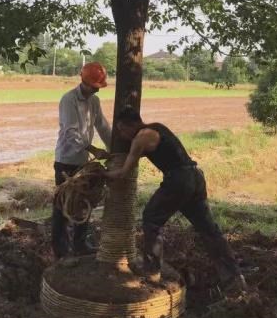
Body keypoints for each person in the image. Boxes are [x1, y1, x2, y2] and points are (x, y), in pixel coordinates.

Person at [105, 107, 246, 291]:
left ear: (130, 125)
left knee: (151, 218)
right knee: (208, 229)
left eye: (122, 130)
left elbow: (124, 172)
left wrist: (104, 175)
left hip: (179, 180)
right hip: (195, 176)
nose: (122, 135)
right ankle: (234, 277)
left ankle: (152, 270)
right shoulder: (157, 128)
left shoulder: (140, 138)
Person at [52, 62, 112, 258]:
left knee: (84, 202)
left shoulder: (94, 101)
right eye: (94, 86)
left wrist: (114, 150)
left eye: (98, 87)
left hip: (82, 161)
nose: (96, 90)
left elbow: (102, 126)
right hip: (66, 161)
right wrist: (94, 149)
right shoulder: (68, 100)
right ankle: (60, 251)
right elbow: (71, 133)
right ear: (83, 81)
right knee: (64, 206)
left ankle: (80, 245)